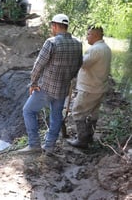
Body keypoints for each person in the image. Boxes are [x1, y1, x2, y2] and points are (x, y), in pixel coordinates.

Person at [19, 14, 83, 154]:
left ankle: (34, 144)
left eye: (51, 26)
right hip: (63, 89)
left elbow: (38, 65)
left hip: (46, 88)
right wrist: (67, 78)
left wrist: (33, 83)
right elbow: (78, 65)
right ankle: (49, 146)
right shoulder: (78, 43)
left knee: (28, 111)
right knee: (56, 116)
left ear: (55, 26)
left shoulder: (51, 42)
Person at [67, 26, 112, 148]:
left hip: (89, 88)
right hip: (99, 87)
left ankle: (82, 140)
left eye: (88, 34)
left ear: (96, 35)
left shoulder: (95, 49)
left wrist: (74, 55)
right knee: (93, 113)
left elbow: (82, 64)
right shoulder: (106, 48)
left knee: (77, 112)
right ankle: (89, 137)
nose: (87, 37)